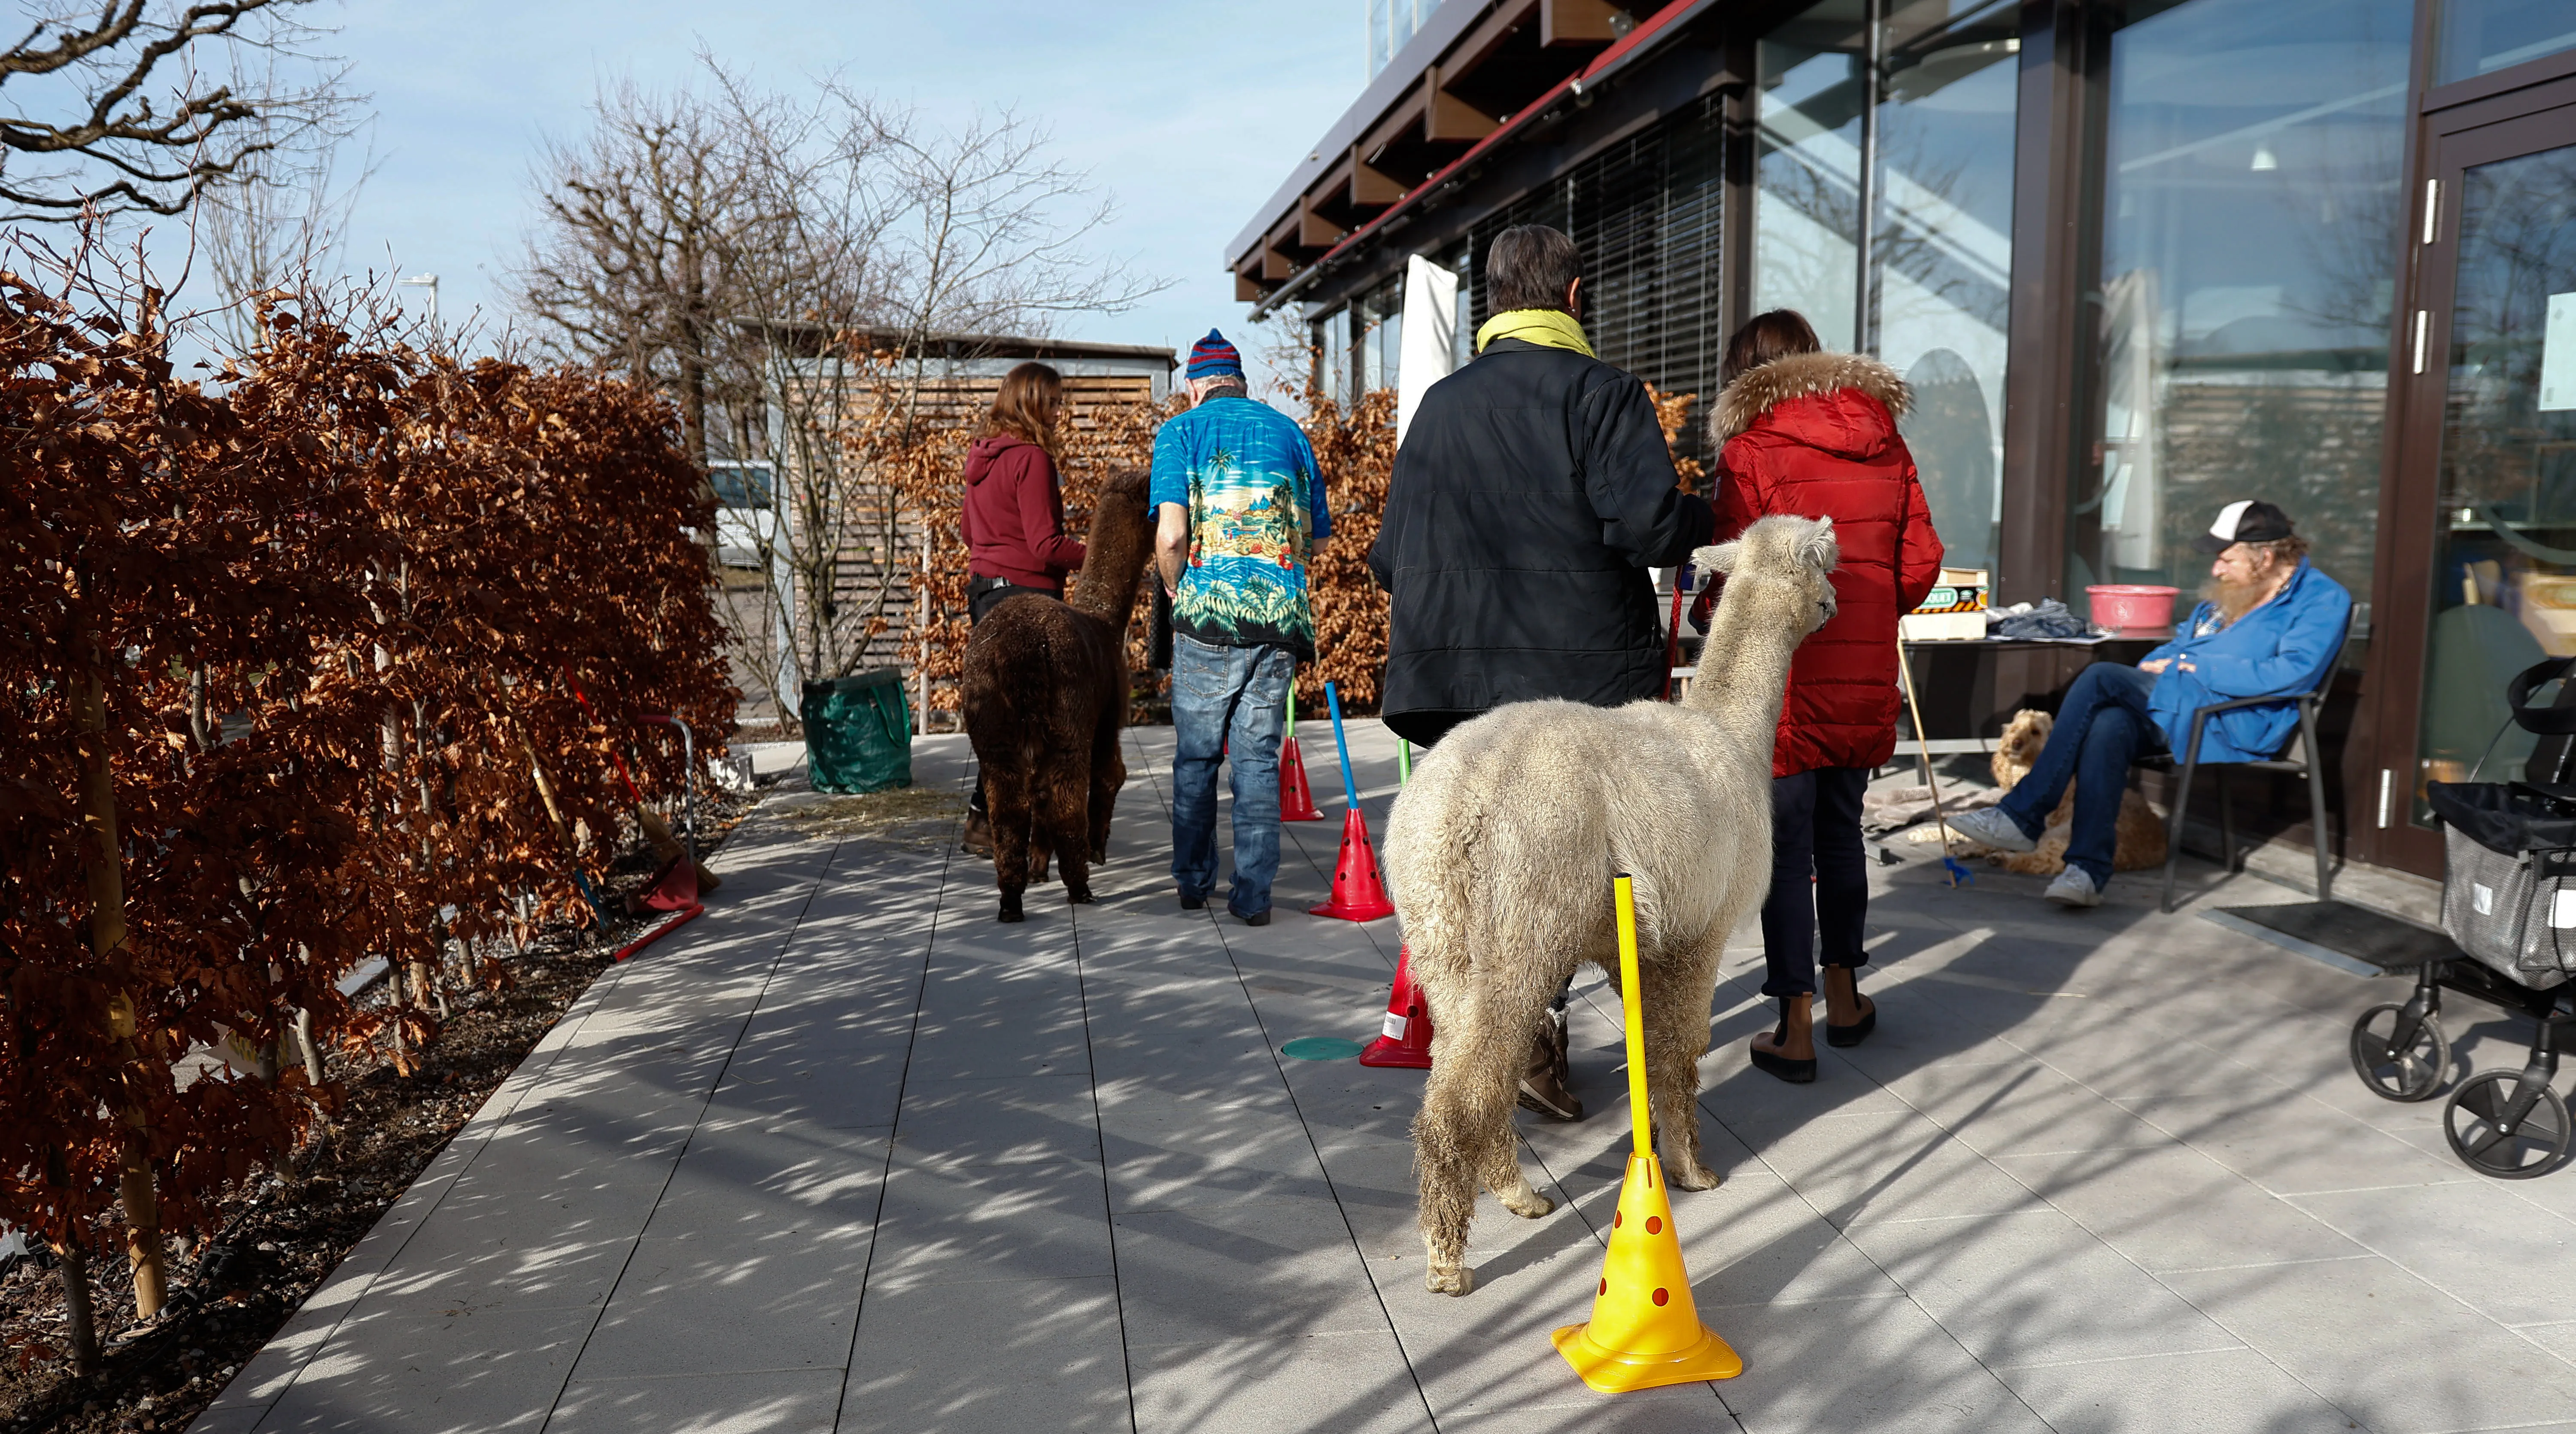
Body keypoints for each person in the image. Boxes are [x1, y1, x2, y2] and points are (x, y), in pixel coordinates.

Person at [1370, 222, 1715, 1120]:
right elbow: (1649, 525)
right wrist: (1714, 511)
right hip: (1578, 678)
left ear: (1495, 304)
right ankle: (1527, 1028)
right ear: (1573, 296)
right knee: (1570, 864)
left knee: (1495, 861)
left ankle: (1516, 1030)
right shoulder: (1602, 394)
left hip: (1454, 680)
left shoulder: (1442, 405)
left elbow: (1386, 555)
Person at [1708, 311, 1944, 1084]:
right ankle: (1846, 996)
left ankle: (1794, 1023)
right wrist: (1871, 607)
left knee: (1786, 847)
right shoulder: (1886, 440)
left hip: (1787, 672)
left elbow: (1741, 572)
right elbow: (1922, 562)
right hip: (1866, 664)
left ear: (1747, 373)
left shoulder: (1750, 450)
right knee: (1843, 833)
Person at [1950, 500, 2353, 908]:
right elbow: (2178, 647)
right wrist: (2159, 664)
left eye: (2226, 558)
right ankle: (2086, 871)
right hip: (2180, 706)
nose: (2217, 569)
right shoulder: (2230, 599)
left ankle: (2022, 816)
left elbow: (2293, 674)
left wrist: (2191, 665)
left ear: (2265, 557)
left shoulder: (2321, 600)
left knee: (2100, 676)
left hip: (2232, 719)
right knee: (2108, 723)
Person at [1152, 329, 1331, 926]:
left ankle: (1193, 879)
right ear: (1242, 382)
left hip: (1207, 618)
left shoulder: (1180, 432)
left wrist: (1176, 583)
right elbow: (1317, 537)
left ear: (1195, 385)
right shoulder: (1290, 433)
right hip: (1279, 622)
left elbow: (1173, 534)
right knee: (1258, 760)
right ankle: (1253, 896)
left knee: (1198, 758)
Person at [958, 361, 1084, 857]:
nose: (1060, 411)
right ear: (1031, 403)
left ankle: (982, 823)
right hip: (1029, 600)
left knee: (1004, 719)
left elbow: (970, 535)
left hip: (986, 595)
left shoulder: (981, 457)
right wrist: (1096, 554)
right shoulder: (1031, 458)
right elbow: (1047, 544)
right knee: (1035, 724)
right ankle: (1019, 832)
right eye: (1053, 402)